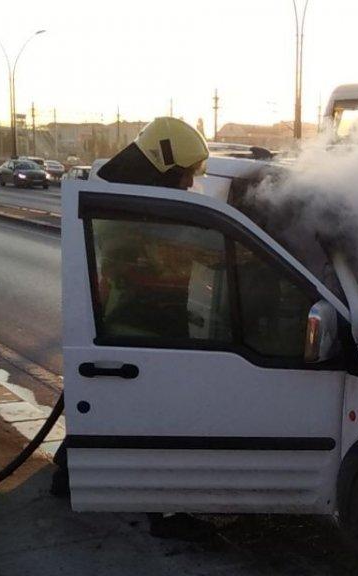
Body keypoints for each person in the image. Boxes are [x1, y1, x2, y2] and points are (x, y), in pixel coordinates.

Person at [59, 117, 212, 541]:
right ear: (164, 165)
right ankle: (165, 511)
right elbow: (179, 250)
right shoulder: (130, 207)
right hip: (140, 324)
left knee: (111, 409)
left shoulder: (125, 193)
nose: (187, 185)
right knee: (159, 418)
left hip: (133, 318)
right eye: (184, 176)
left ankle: (68, 471)